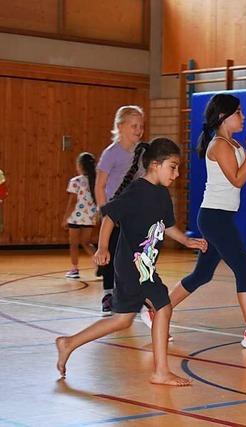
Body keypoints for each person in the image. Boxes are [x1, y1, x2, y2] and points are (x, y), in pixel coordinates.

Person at [141, 94, 246, 350]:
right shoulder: (219, 145)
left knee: (202, 274)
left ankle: (156, 310)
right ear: (224, 116)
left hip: (220, 216)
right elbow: (237, 180)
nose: (243, 117)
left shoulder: (235, 146)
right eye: (239, 113)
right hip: (214, 217)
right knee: (243, 268)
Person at [55, 138, 208, 386]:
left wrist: (186, 241)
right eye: (173, 166)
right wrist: (103, 247)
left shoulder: (162, 195)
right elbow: (109, 217)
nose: (177, 173)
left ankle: (68, 343)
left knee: (122, 319)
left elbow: (167, 226)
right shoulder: (138, 191)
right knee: (163, 308)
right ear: (155, 165)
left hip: (144, 266)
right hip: (132, 266)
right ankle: (160, 371)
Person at [95, 105, 145, 315]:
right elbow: (100, 184)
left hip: (134, 214)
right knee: (111, 254)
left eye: (141, 126)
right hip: (114, 214)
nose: (139, 129)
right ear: (120, 126)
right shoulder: (111, 153)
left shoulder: (141, 152)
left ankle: (132, 294)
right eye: (134, 125)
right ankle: (109, 294)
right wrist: (105, 211)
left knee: (134, 254)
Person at [62, 153, 98, 279]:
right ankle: (100, 265)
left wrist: (66, 217)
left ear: (80, 166)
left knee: (74, 243)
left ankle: (74, 269)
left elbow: (72, 202)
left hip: (76, 217)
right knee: (86, 242)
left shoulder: (76, 181)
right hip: (90, 216)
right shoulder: (95, 180)